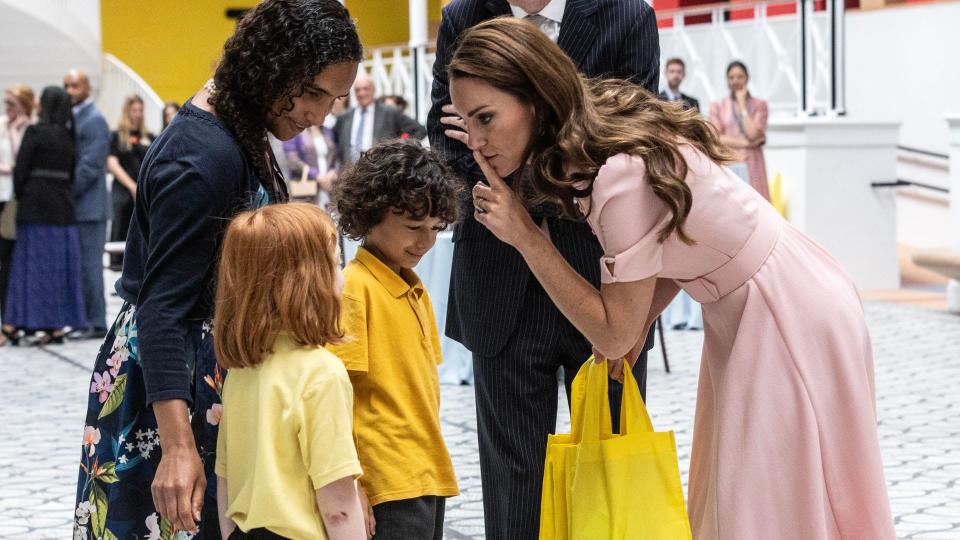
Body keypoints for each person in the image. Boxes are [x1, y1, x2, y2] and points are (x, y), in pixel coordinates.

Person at [449, 18, 896, 539]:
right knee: (751, 501)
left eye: (485, 117)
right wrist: (638, 324)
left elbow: (612, 332)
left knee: (769, 508)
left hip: (782, 312)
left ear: (536, 101)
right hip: (762, 300)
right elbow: (679, 248)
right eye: (464, 122)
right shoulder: (602, 131)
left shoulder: (615, 172)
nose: (476, 142)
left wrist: (525, 235)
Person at [73, 1, 362, 538]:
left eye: (334, 98)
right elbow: (163, 307)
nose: (319, 114)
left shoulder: (240, 118)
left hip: (208, 370)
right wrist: (178, 448)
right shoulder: (203, 158)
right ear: (270, 68)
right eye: (314, 92)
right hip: (169, 389)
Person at [427, 1, 660, 536]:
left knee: (610, 475)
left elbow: (629, 145)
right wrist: (551, 168)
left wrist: (521, 189)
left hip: (605, 275)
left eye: (487, 117)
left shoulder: (626, 16)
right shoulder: (464, 14)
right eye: (477, 121)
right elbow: (448, 141)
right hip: (497, 274)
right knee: (514, 486)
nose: (480, 130)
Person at [328, 141, 461, 540]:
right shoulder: (355, 289)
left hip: (425, 471)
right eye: (413, 228)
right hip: (384, 480)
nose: (426, 243)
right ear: (369, 217)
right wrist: (352, 485)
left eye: (435, 229)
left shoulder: (414, 288)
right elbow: (337, 396)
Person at [214, 203, 365, 540]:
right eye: (337, 265)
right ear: (310, 282)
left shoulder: (241, 368)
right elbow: (339, 506)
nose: (342, 276)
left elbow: (225, 481)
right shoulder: (322, 373)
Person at [4, 86, 86, 345]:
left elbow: (21, 173)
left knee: (28, 269)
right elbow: (72, 174)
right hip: (63, 211)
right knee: (57, 272)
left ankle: (13, 323)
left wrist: (21, 192)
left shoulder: (35, 132)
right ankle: (56, 326)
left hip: (34, 209)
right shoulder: (69, 136)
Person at [64, 69, 111, 340]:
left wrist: (66, 193)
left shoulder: (93, 120)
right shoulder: (77, 117)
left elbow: (90, 165)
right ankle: (86, 319)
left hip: (89, 206)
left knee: (90, 266)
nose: (70, 91)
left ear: (87, 88)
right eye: (67, 86)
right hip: (80, 205)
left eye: (75, 86)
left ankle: (96, 321)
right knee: (82, 265)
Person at [0, 84, 34, 346]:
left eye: (12, 103)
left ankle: (15, 321)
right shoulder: (1, 124)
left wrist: (15, 131)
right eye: (6, 103)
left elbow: (22, 161)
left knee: (13, 262)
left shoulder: (29, 128)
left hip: (16, 200)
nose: (7, 109)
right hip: (3, 196)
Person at [333, 73, 427, 166]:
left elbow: (419, 130)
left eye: (366, 89)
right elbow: (334, 143)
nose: (362, 93)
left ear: (373, 90)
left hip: (379, 171)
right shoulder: (344, 117)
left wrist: (399, 144)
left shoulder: (389, 113)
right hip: (350, 172)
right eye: (358, 90)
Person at [709, 60, 770, 200]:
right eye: (731, 77)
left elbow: (753, 134)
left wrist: (742, 106)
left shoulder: (759, 105)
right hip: (729, 161)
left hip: (752, 164)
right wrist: (747, 144)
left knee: (756, 204)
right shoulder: (718, 106)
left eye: (740, 77)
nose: (735, 81)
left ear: (747, 78)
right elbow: (716, 138)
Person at [107, 95, 153, 269]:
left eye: (141, 110)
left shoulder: (148, 136)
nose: (138, 114)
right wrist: (132, 186)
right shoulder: (117, 136)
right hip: (123, 189)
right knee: (120, 224)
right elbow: (112, 163)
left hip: (143, 190)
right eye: (134, 110)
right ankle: (117, 264)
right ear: (127, 111)